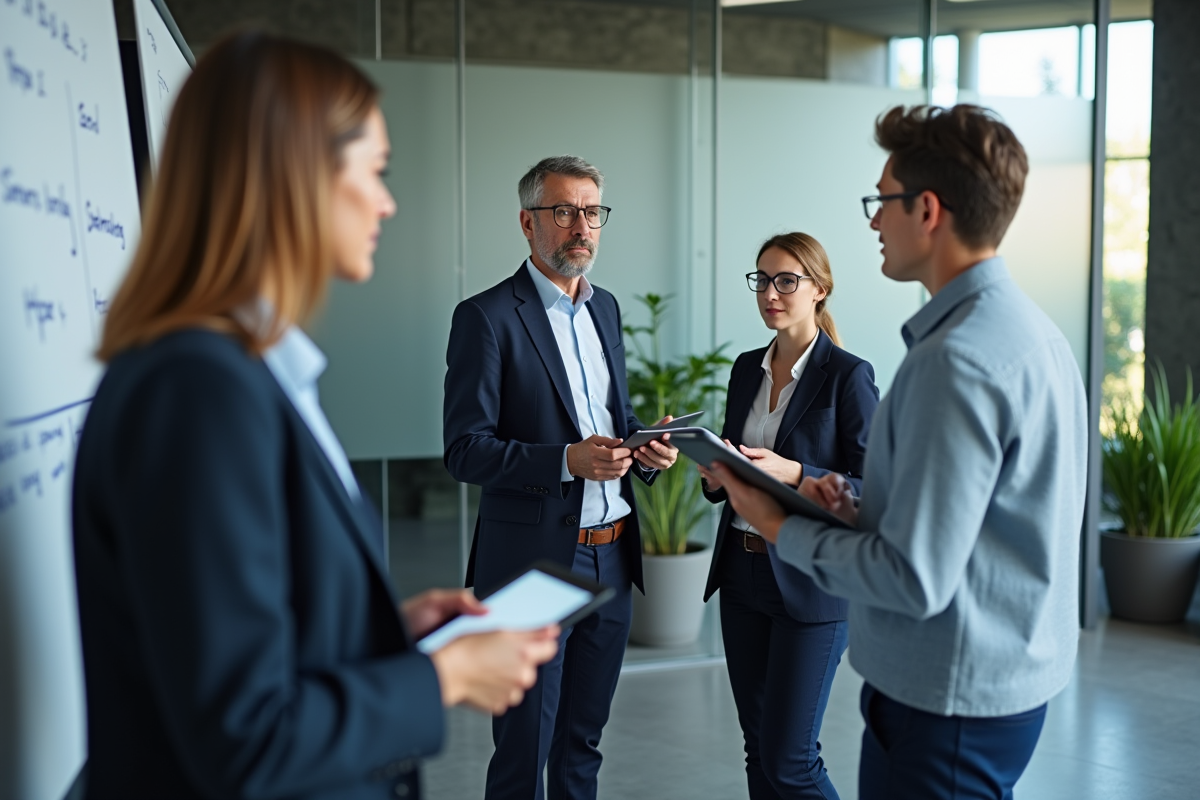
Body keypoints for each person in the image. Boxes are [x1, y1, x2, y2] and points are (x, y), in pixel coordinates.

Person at [72, 32, 558, 800]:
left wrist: (385, 633)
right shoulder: (200, 391)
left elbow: (233, 636)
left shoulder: (246, 371)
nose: (389, 201)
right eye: (376, 171)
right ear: (295, 177)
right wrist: (442, 676)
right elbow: (245, 739)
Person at [710, 104, 1088, 800]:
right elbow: (984, 525)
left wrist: (777, 523)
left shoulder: (957, 360)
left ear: (929, 210)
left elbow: (914, 578)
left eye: (882, 200)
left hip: (946, 699)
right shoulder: (1033, 333)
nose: (873, 220)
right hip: (998, 687)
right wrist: (859, 505)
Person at [443, 155, 678, 800]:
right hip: (534, 563)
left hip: (612, 556)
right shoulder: (486, 317)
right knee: (524, 751)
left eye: (593, 211)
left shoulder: (605, 310)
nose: (583, 225)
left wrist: (647, 447)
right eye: (564, 211)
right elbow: (465, 450)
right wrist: (565, 460)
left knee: (582, 747)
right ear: (528, 222)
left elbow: (612, 416)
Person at [697, 232, 878, 800]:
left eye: (786, 280)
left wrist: (796, 472)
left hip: (811, 580)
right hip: (742, 575)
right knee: (759, 750)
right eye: (762, 279)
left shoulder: (848, 375)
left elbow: (875, 489)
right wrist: (717, 476)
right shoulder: (746, 368)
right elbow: (736, 466)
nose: (770, 293)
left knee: (791, 759)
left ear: (818, 289)